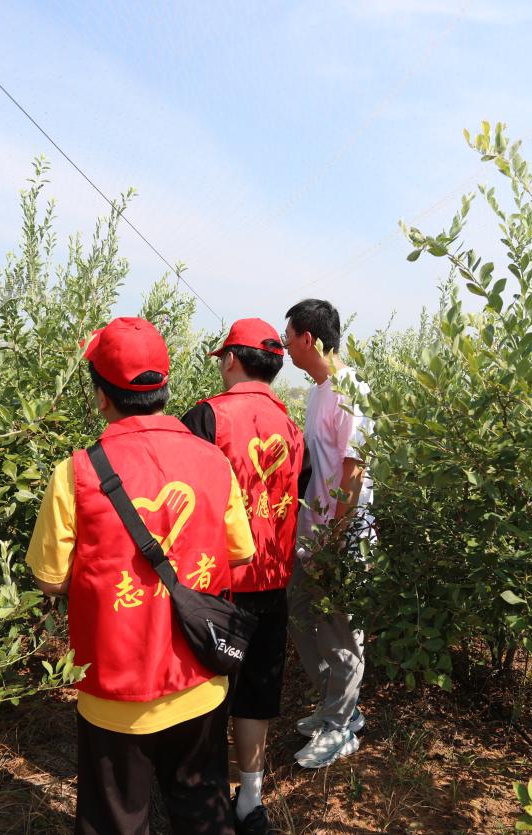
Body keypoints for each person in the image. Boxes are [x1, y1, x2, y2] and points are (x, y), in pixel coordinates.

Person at [26, 316, 255, 835]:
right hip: (200, 678)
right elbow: (240, 555)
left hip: (114, 691)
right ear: (164, 387)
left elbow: (49, 578)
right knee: (202, 810)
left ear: (101, 396)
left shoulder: (77, 472)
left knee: (117, 821)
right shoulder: (213, 462)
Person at [181, 319, 305, 834]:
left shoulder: (207, 417)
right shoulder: (292, 429)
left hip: (217, 584)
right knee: (257, 691)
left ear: (231, 358)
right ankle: (250, 800)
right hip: (273, 579)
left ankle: (204, 795)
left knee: (208, 688)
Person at [281, 299, 374, 769]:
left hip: (343, 534)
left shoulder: (351, 389)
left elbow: (353, 474)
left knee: (340, 630)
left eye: (289, 339)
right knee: (299, 614)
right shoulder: (319, 391)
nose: (286, 349)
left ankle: (340, 727)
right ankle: (340, 707)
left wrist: (334, 540)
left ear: (309, 339)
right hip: (314, 531)